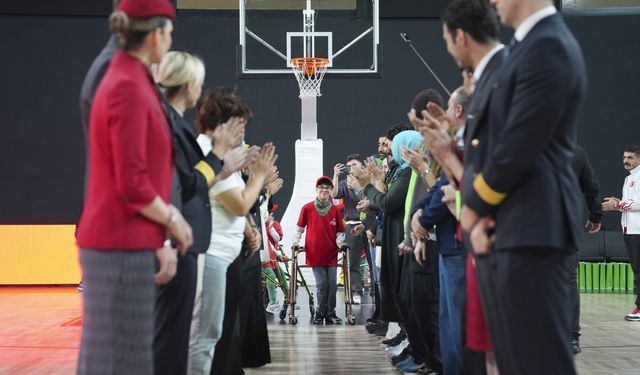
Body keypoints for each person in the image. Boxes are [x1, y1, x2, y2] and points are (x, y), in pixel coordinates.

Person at [457, 0, 588, 374]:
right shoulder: (525, 47)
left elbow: (517, 147)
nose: (493, 1)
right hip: (515, 222)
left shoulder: (549, 48)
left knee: (538, 361)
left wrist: (473, 209)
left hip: (534, 226)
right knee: (516, 361)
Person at [75, 1, 193, 374]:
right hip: (118, 243)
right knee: (120, 362)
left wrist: (158, 237)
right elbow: (133, 183)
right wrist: (174, 219)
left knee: (119, 360)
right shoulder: (125, 83)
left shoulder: (132, 77)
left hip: (129, 240)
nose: (170, 42)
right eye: (170, 35)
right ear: (157, 35)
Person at [152, 51, 247, 375]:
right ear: (190, 85)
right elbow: (185, 185)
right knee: (189, 335)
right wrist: (220, 162)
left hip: (193, 243)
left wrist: (220, 168)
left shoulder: (176, 126)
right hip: (184, 244)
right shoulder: (174, 127)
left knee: (189, 334)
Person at [188, 88, 275, 375]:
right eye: (240, 126)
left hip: (226, 252)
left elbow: (235, 197)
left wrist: (250, 228)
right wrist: (260, 177)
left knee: (218, 331)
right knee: (208, 335)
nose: (243, 134)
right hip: (212, 254)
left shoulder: (224, 153)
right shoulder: (208, 152)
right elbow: (238, 203)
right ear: (223, 124)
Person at [292, 176, 346, 325]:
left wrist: (340, 242)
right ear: (316, 190)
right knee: (322, 284)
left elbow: (340, 232)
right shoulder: (307, 208)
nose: (324, 190)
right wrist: (295, 242)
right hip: (315, 252)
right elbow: (299, 228)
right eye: (321, 187)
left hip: (331, 253)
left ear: (330, 190)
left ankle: (330, 313)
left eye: (327, 188)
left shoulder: (335, 210)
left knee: (332, 284)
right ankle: (320, 313)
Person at [570, 144, 603, 353]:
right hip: (566, 225)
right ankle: (572, 337)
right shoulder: (577, 152)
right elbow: (591, 187)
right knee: (568, 281)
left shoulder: (522, 147)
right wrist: (595, 215)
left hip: (529, 227)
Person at [602, 145, 640, 322]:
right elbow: (630, 203)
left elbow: (638, 203)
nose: (626, 161)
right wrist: (619, 203)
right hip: (629, 230)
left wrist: (617, 205)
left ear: (639, 159)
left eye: (630, 157)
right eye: (624, 157)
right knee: (637, 269)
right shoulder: (629, 179)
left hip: (638, 231)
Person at [332, 154, 370, 304]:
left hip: (369, 223)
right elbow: (334, 193)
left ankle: (376, 289)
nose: (352, 168)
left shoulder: (369, 180)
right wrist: (335, 175)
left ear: (361, 166)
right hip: (353, 224)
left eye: (354, 165)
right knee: (353, 261)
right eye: (349, 166)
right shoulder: (344, 183)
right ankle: (356, 291)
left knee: (373, 261)